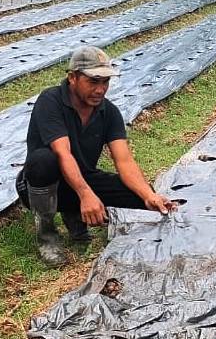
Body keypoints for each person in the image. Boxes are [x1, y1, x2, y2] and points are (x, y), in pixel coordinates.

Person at [15, 46, 176, 264]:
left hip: (81, 178)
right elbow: (63, 153)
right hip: (42, 184)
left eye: (105, 82)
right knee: (45, 160)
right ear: (72, 78)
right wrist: (85, 195)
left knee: (140, 195)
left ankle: (74, 213)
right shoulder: (51, 101)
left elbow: (124, 160)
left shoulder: (108, 112)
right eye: (93, 81)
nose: (100, 89)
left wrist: (149, 196)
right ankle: (47, 235)